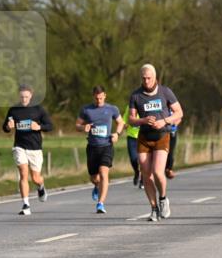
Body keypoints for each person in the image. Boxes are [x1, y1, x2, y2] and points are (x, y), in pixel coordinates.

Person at [129, 64, 182, 221]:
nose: (146, 81)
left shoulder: (165, 92)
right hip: (144, 137)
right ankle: (154, 208)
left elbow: (179, 112)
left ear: (155, 77)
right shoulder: (135, 95)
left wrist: (164, 121)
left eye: (149, 78)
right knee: (146, 175)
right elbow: (131, 119)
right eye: (143, 78)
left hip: (162, 135)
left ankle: (163, 199)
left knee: (158, 172)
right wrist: (143, 120)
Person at [3, 84, 53, 215]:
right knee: (23, 172)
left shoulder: (38, 109)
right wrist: (9, 126)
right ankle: (26, 204)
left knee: (36, 178)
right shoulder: (14, 110)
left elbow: (50, 126)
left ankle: (41, 186)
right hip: (19, 146)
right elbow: (5, 127)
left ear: (31, 96)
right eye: (21, 97)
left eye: (26, 96)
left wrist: (39, 127)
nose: (24, 99)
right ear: (19, 96)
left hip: (35, 148)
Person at [76, 85, 124, 214]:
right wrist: (83, 127)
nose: (99, 101)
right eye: (97, 98)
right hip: (92, 147)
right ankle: (96, 186)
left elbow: (121, 122)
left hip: (106, 146)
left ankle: (100, 203)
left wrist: (117, 134)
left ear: (105, 96)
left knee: (104, 173)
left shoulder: (112, 109)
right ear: (93, 97)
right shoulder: (86, 110)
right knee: (94, 178)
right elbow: (77, 125)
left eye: (101, 98)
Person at [122, 103, 143, 187]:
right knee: (133, 158)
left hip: (143, 136)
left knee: (142, 160)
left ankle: (143, 180)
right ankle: (137, 172)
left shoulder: (144, 105)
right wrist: (124, 124)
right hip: (131, 137)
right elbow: (124, 120)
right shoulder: (129, 107)